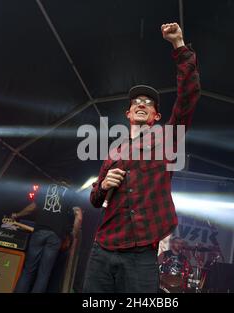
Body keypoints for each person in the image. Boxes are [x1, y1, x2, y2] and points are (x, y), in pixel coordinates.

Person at [83, 22, 201, 293]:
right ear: (128, 114)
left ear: (156, 117)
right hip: (103, 247)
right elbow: (95, 200)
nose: (141, 104)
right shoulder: (113, 152)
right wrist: (102, 186)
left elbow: (189, 98)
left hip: (141, 251)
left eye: (148, 103)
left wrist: (179, 46)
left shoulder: (166, 138)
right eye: (136, 101)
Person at [13, 183, 82, 293]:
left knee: (28, 270)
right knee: (44, 273)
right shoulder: (71, 194)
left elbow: (32, 207)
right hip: (55, 236)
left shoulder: (46, 189)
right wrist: (74, 234)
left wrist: (17, 215)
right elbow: (78, 215)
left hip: (39, 231)